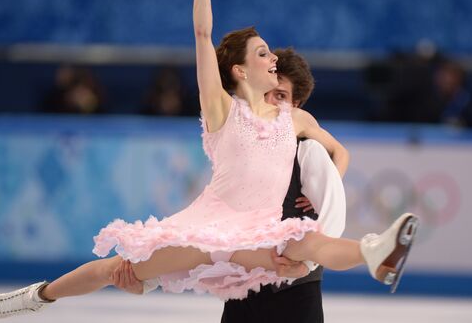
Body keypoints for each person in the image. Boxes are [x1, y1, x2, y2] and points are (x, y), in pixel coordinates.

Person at [0, 0, 418, 319]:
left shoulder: (295, 120)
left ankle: (378, 252)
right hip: (207, 231)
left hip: (261, 233)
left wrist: (325, 193)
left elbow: (333, 154)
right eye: (263, 53)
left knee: (309, 246)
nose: (273, 61)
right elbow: (203, 33)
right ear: (239, 69)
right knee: (114, 270)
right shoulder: (222, 109)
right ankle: (36, 296)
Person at [109, 47, 347, 323]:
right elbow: (208, 224)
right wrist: (148, 279)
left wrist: (331, 181)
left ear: (295, 107)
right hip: (243, 290)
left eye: (281, 97)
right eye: (268, 91)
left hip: (294, 291)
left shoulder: (306, 147)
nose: (270, 101)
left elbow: (340, 156)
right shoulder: (242, 143)